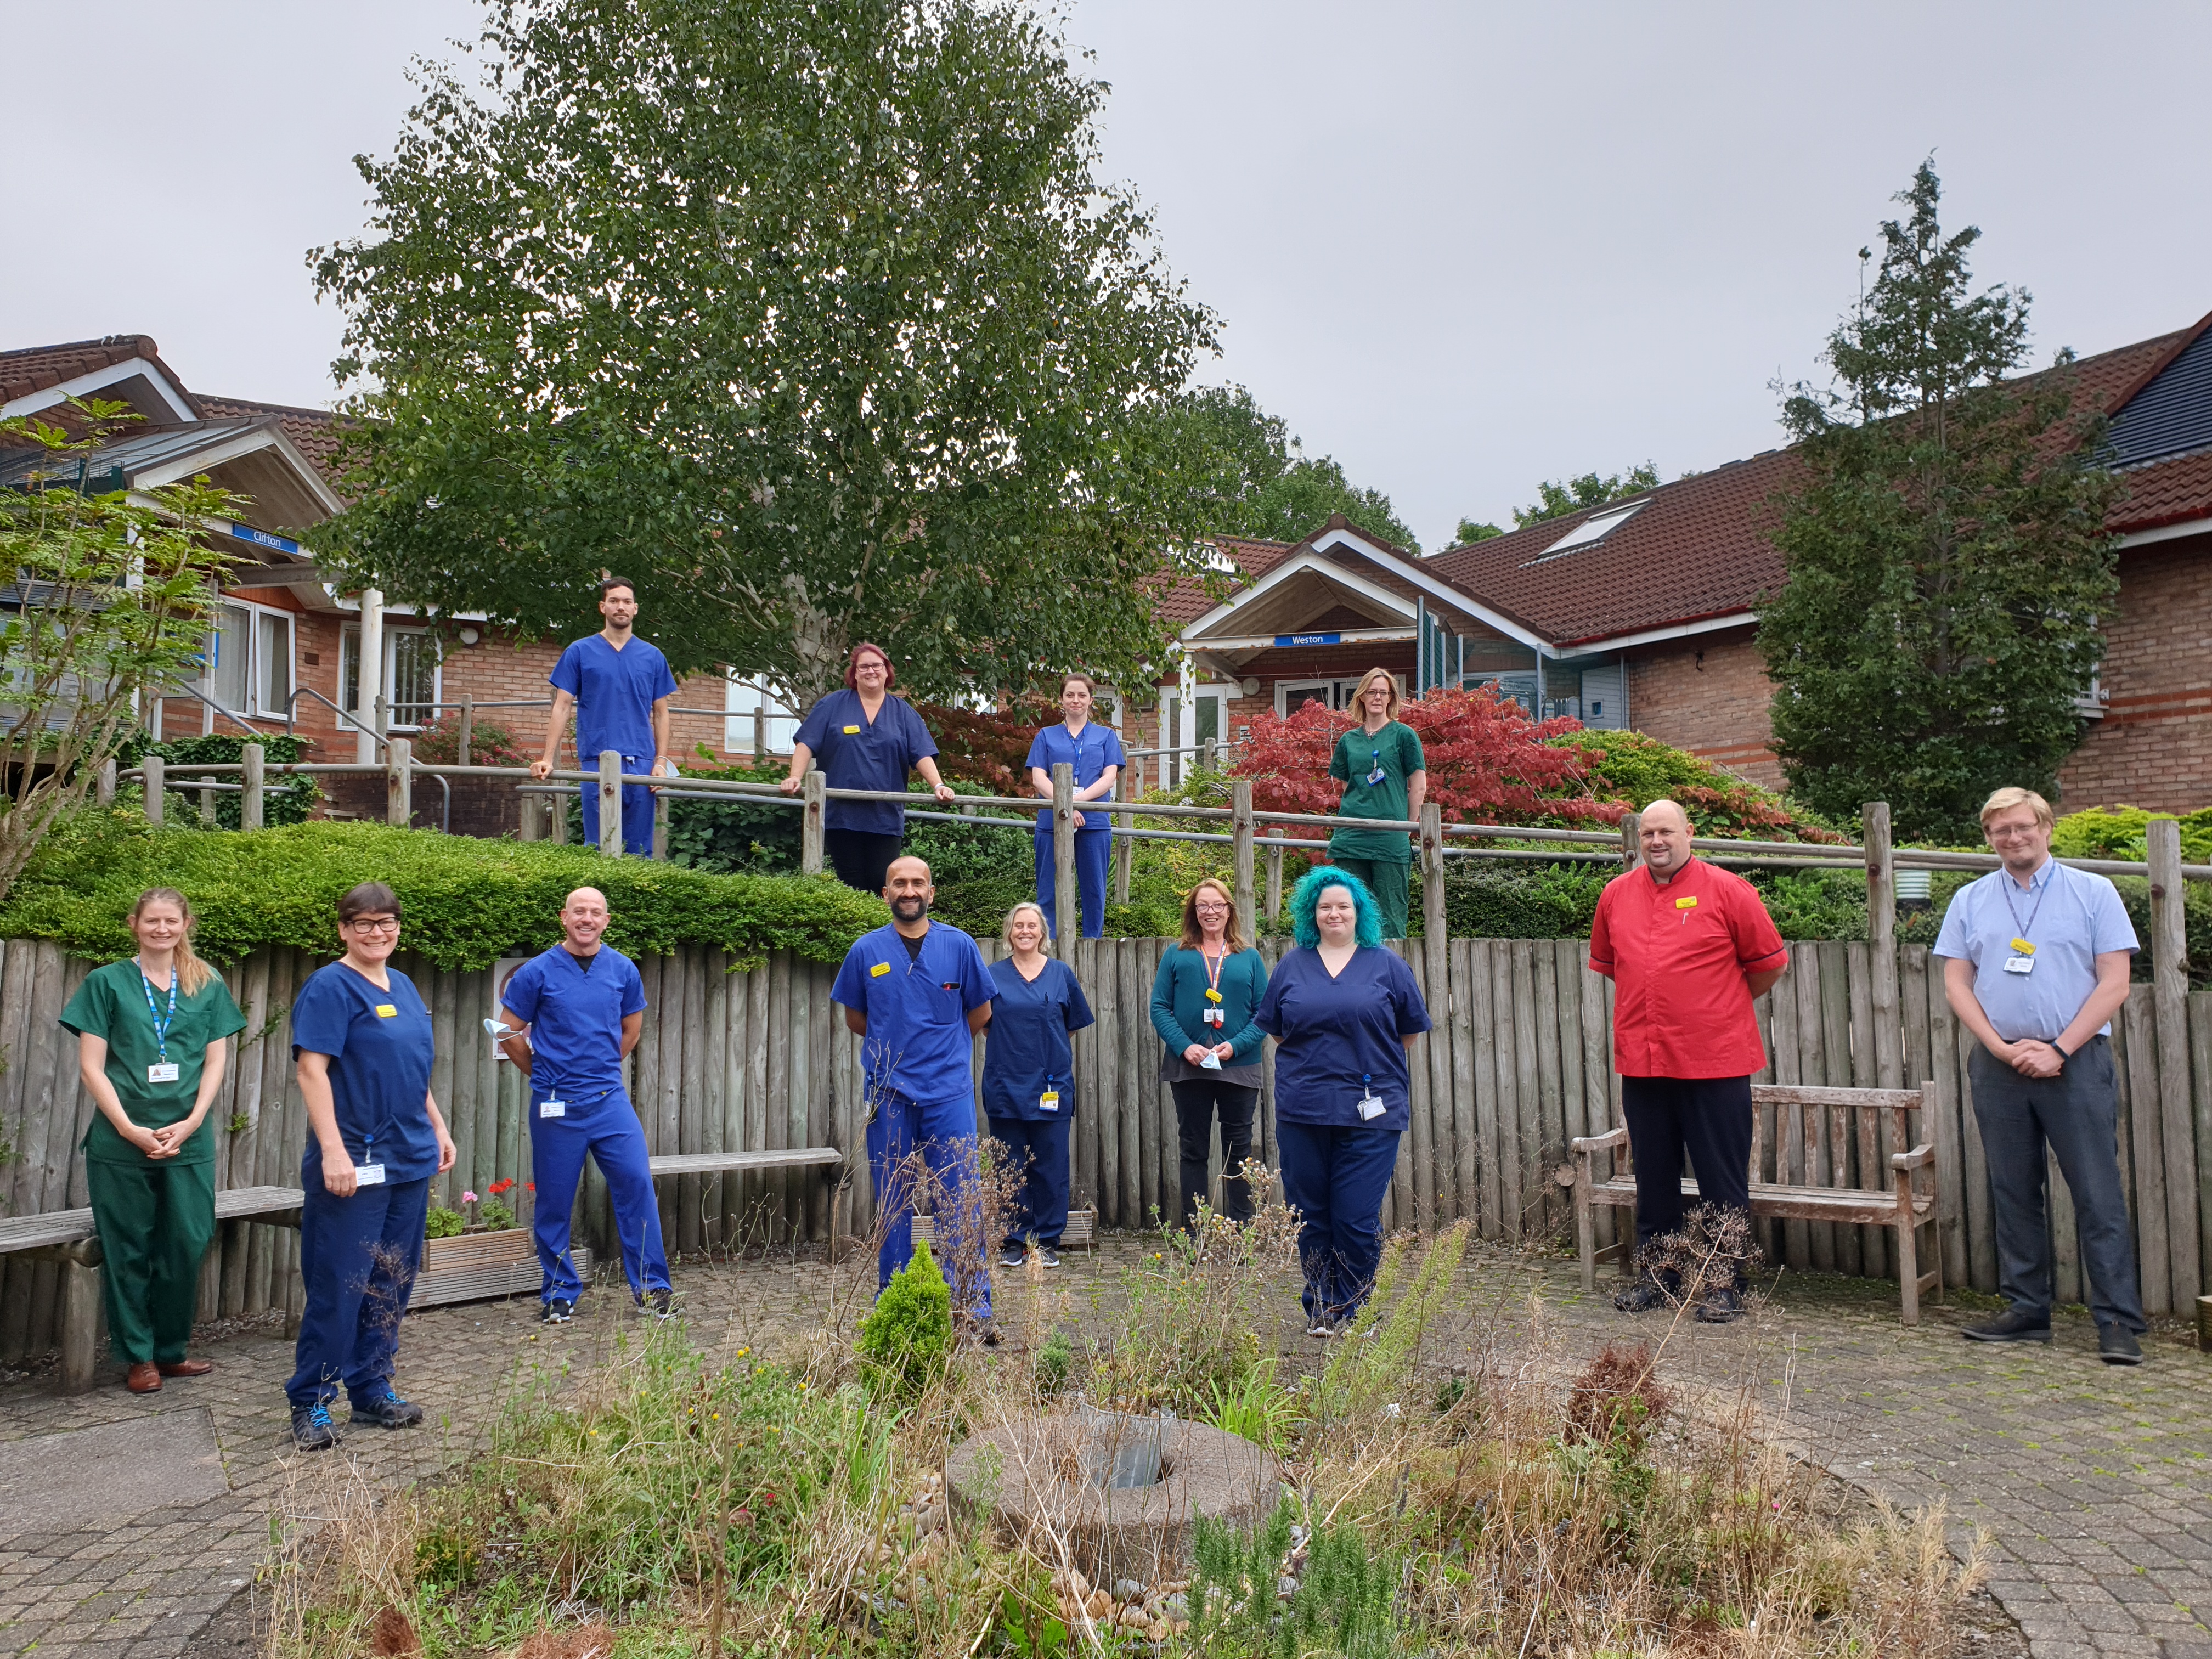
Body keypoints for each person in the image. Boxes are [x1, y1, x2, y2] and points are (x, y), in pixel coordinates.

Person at [1935, 787, 2146, 1364]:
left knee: (2097, 1192)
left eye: (2023, 826)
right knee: (2013, 1189)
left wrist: (2059, 1048)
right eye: (2001, 830)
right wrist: (2000, 1049)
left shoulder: (2093, 892)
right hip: (1999, 1068)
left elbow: (2115, 983)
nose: (2013, 838)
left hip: (2075, 1064)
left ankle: (2118, 1321)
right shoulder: (1971, 899)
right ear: (1989, 837)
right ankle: (2028, 1310)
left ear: (2046, 827)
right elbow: (1957, 982)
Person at [1588, 799, 1790, 1324]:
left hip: (1716, 1061)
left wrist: (1714, 1005)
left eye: (1667, 832)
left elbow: (1768, 966)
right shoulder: (1615, 895)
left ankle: (1726, 1285)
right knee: (1654, 1177)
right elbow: (1615, 967)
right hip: (1645, 1061)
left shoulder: (1729, 891)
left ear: (1689, 833)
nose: (1657, 841)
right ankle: (1659, 1279)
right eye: (1648, 833)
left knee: (1722, 1178)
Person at [285, 882, 456, 1449]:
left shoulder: (403, 985)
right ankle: (311, 1402)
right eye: (363, 924)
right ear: (343, 929)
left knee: (391, 1280)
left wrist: (437, 1126)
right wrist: (333, 1150)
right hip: (354, 1161)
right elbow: (312, 1071)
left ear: (398, 928)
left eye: (386, 923)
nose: (376, 933)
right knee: (343, 1282)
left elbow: (412, 1067)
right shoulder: (330, 987)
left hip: (409, 1156)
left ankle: (372, 1388)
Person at [59, 889, 246, 1394]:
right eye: (151, 921)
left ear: (186, 924)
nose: (161, 929)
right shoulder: (106, 983)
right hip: (121, 1143)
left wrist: (192, 1121)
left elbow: (215, 1061)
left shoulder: (206, 983)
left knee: (186, 1241)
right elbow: (91, 1067)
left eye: (171, 921)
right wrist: (127, 1128)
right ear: (134, 924)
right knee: (128, 1249)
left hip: (188, 1139)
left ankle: (172, 1351)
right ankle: (138, 1357)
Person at [1255, 868, 1431, 1336]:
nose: (1334, 913)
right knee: (1310, 1215)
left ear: (1359, 913)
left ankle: (1355, 1308)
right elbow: (1275, 1028)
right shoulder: (1292, 966)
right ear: (1312, 914)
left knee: (1354, 1216)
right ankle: (1322, 1307)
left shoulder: (1386, 965)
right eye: (1325, 907)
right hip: (1303, 1110)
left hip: (1371, 1112)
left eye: (1343, 906)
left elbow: (1409, 1031)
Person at [830, 855, 998, 1333]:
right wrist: (898, 1048)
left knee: (960, 1199)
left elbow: (980, 1012)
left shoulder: (959, 946)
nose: (909, 890)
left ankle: (972, 1308)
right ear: (885, 894)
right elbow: (857, 1020)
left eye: (917, 882)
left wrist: (941, 1048)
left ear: (931, 892)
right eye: (899, 883)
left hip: (949, 1093)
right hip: (890, 1095)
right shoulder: (865, 951)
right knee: (892, 1203)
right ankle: (897, 1304)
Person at [496, 887, 674, 1324]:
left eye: (596, 912)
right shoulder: (536, 972)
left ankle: (653, 1289)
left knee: (636, 1186)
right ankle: (559, 1291)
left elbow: (630, 1030)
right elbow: (506, 1032)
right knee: (554, 1202)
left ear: (606, 921)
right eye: (580, 911)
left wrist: (600, 1072)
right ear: (564, 917)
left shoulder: (622, 969)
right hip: (556, 1106)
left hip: (609, 1102)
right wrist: (542, 1073)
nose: (587, 919)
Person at [782, 642, 958, 894]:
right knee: (850, 881)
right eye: (863, 666)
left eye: (877, 665)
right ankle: (858, 932)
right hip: (842, 814)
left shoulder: (903, 712)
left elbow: (921, 753)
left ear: (887, 672)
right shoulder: (834, 705)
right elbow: (806, 743)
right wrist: (794, 778)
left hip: (884, 815)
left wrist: (939, 785)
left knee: (882, 881)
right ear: (854, 673)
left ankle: (879, 931)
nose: (871, 671)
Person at [1149, 877, 1269, 1231]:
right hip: (1190, 1068)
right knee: (1193, 1150)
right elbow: (1159, 1008)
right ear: (1194, 911)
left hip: (1239, 1068)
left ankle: (1241, 1234)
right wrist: (1186, 1047)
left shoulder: (1249, 957)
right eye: (1203, 905)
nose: (1210, 912)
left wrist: (1236, 1045)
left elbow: (1265, 1014)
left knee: (1239, 1152)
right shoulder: (1177, 954)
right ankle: (1194, 1231)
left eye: (1218, 905)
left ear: (1229, 909)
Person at [529, 575, 678, 856]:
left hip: (642, 762)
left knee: (640, 848)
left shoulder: (653, 656)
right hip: (596, 759)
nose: (621, 606)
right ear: (603, 607)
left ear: (635, 609)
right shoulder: (580, 651)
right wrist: (547, 757)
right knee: (597, 845)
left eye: (627, 601)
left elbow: (661, 713)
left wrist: (661, 762)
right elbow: (561, 706)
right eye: (614, 601)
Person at [980, 902, 1093, 1268]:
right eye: (1019, 925)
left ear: (1042, 932)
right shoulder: (992, 975)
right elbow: (983, 1023)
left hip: (1051, 1086)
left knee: (1051, 1166)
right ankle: (1013, 1240)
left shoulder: (1061, 974)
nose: (1025, 931)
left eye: (1032, 925)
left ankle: (1046, 1240)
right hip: (1005, 1085)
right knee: (1008, 1167)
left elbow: (1071, 1024)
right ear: (1009, 932)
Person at [1325, 668, 1427, 940]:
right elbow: (1347, 787)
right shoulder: (1349, 740)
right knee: (1349, 912)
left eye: (1384, 692)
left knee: (1391, 913)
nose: (1377, 697)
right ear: (1362, 696)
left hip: (1390, 835)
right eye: (1372, 692)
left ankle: (1390, 977)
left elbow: (1419, 786)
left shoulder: (1404, 735)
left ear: (1392, 697)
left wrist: (1408, 827)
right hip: (1351, 835)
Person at [1025, 674, 1125, 940]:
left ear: (1092, 700)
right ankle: (1050, 946)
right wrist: (1065, 809)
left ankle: (1093, 945)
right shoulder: (1046, 736)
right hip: (1052, 821)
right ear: (1061, 700)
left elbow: (1109, 777)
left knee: (1094, 889)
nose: (1076, 700)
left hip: (1093, 823)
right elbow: (1038, 778)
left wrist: (1074, 804)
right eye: (1070, 695)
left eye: (1082, 695)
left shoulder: (1106, 736)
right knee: (1048, 888)